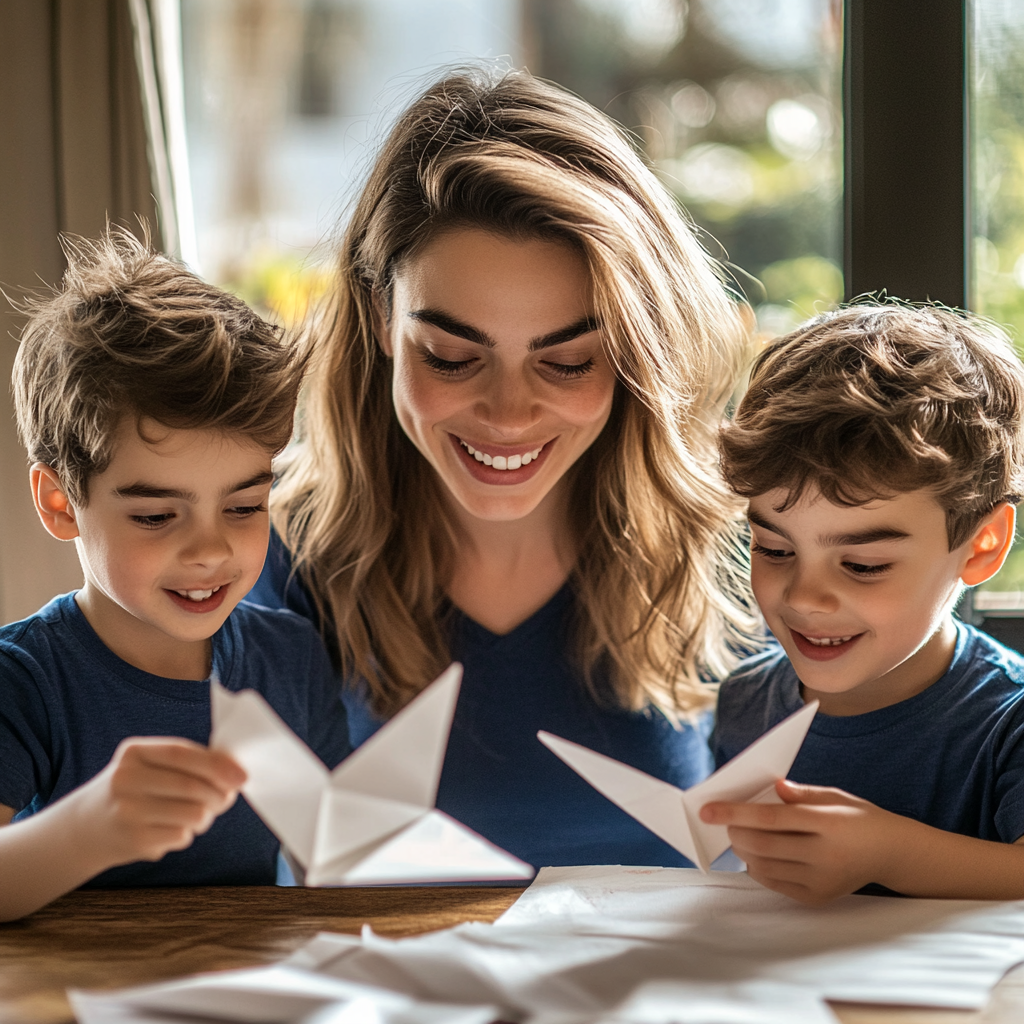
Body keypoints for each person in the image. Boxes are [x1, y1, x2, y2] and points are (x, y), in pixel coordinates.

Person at [250, 66, 759, 869]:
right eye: (452, 357)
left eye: (567, 363)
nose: (508, 414)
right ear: (382, 317)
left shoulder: (747, 549)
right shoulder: (263, 558)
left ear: (633, 356)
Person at [0, 229, 350, 922]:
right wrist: (89, 828)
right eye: (158, 517)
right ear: (61, 504)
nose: (210, 551)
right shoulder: (24, 682)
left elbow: (336, 858)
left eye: (245, 506)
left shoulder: (292, 658)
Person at [704, 301, 1024, 903]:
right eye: (773, 549)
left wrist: (887, 852)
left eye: (863, 565)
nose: (805, 597)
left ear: (981, 547)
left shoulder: (1010, 723)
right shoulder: (744, 702)